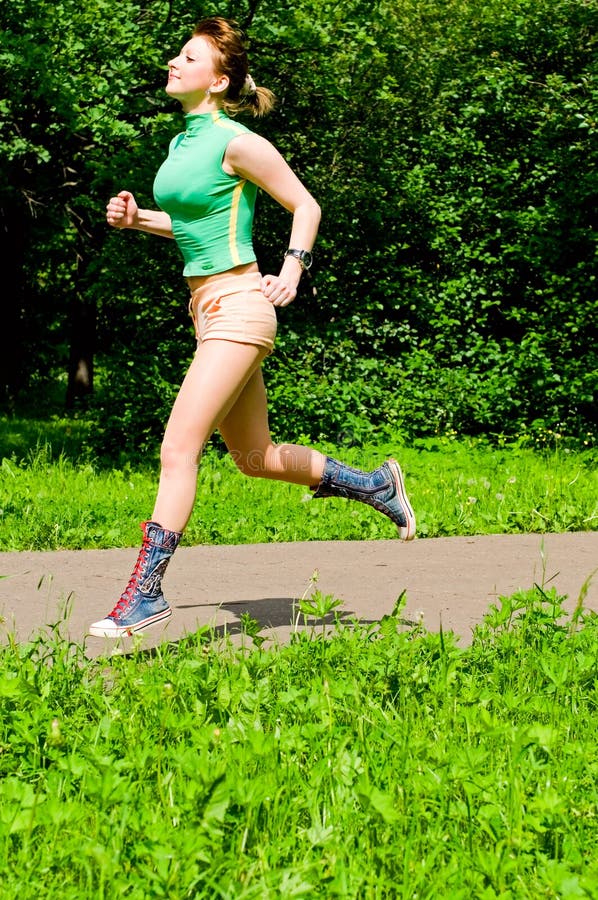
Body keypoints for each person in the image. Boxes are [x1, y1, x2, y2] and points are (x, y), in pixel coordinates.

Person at [89, 15, 416, 638]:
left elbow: (305, 205)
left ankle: (145, 593)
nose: (173, 64)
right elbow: (194, 226)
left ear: (218, 79)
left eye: (188, 58)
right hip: (206, 308)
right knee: (253, 456)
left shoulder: (235, 139)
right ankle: (373, 484)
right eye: (176, 56)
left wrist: (292, 270)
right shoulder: (183, 141)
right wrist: (138, 221)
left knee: (177, 448)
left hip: (241, 306)